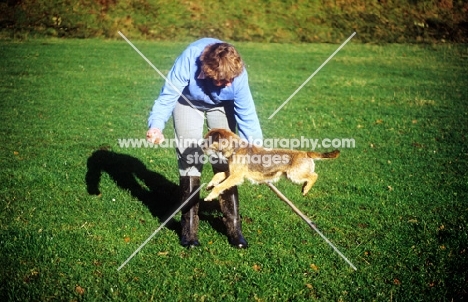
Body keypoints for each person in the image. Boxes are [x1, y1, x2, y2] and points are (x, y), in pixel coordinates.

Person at [146, 38, 263, 249]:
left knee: (225, 161)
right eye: (224, 80)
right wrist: (156, 126)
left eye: (232, 79)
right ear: (208, 72)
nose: (230, 83)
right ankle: (189, 231)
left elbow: (248, 115)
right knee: (190, 159)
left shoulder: (236, 76)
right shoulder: (189, 60)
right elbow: (168, 95)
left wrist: (257, 153)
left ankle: (234, 228)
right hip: (187, 102)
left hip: (220, 105)